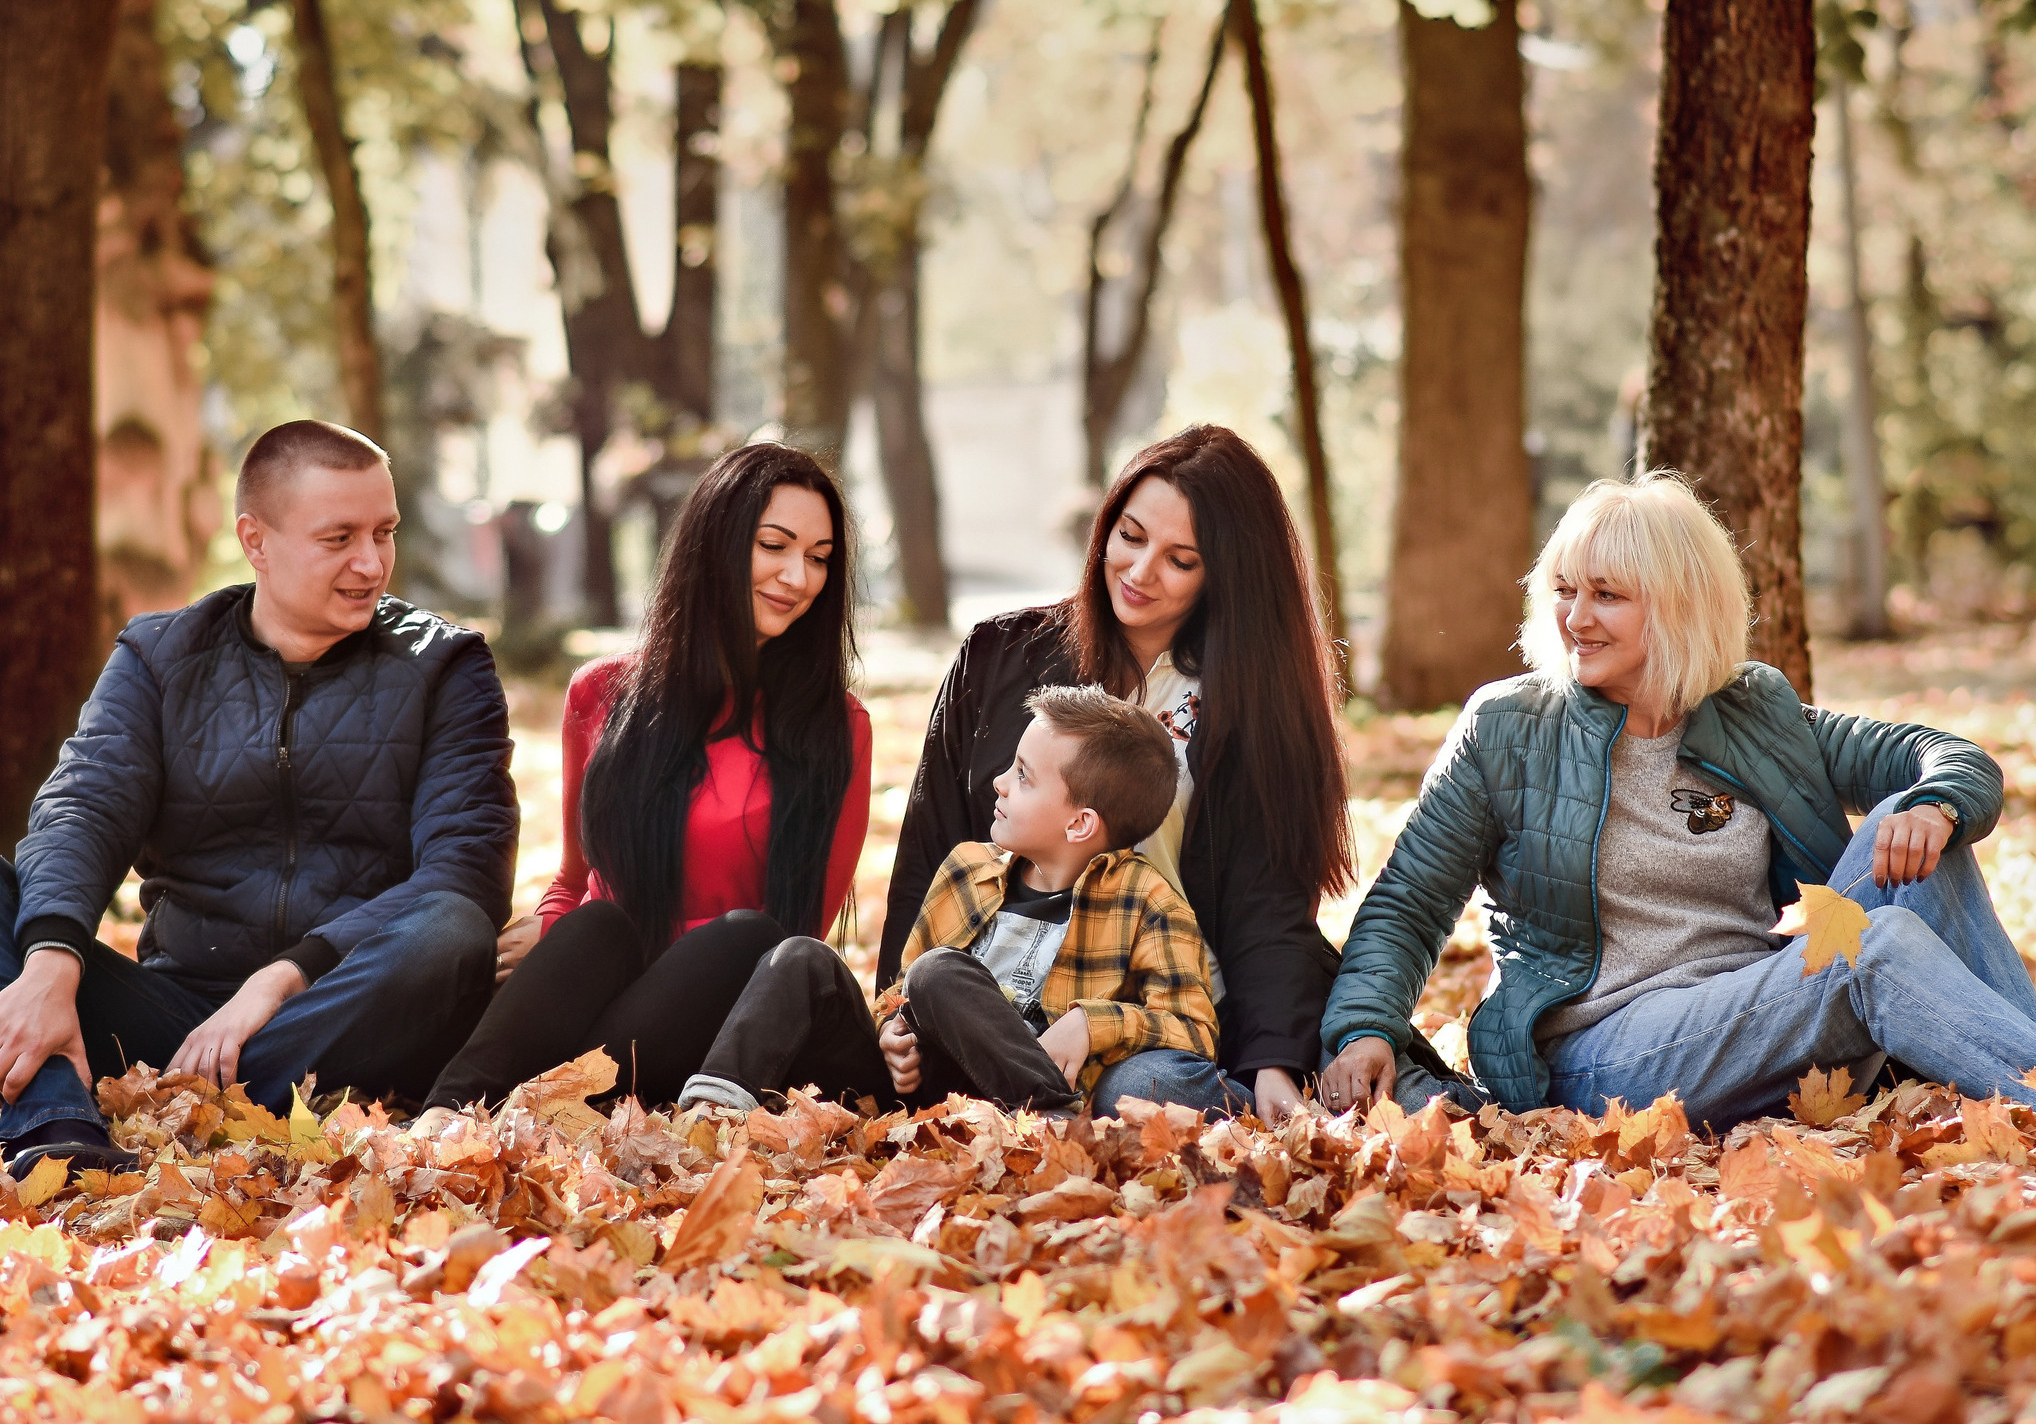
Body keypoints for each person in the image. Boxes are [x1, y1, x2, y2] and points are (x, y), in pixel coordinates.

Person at [1320, 473, 2036, 1130]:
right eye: (1564, 590)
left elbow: (1950, 756)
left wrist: (1937, 806)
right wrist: (1363, 1028)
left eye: (1607, 595)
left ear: (1682, 605)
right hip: (1604, 1054)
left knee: (1908, 823)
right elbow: (1409, 902)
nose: (1576, 619)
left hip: (1754, 1005)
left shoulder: (1752, 709)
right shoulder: (1509, 727)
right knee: (1867, 947)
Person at [0, 421, 516, 1179]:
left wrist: (282, 976)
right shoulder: (160, 658)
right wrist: (52, 960)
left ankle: (181, 1098)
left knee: (451, 929)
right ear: (255, 540)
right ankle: (55, 1115)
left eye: (384, 532)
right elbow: (84, 810)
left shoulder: (445, 666)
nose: (372, 562)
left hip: (345, 1004)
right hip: (177, 1009)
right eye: (340, 538)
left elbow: (466, 870)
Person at [880, 424, 1353, 1124]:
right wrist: (897, 1006)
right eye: (1130, 536)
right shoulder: (998, 654)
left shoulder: (1251, 701)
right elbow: (931, 850)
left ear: (1225, 572)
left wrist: (1273, 1063)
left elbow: (1268, 902)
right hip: (1002, 1004)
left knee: (1142, 1091)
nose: (1139, 571)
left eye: (1180, 558)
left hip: (1170, 1018)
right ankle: (1049, 1099)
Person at [413, 442, 871, 1120]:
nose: (798, 576)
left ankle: (545, 1105)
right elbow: (574, 880)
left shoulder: (839, 727)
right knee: (599, 924)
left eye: (819, 557)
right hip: (612, 997)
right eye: (774, 545)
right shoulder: (603, 694)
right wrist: (547, 932)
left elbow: (800, 933)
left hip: (730, 1023)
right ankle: (442, 1117)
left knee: (750, 933)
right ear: (716, 543)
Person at [683, 685, 1214, 1113]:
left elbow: (1193, 1030)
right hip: (915, 1096)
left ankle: (1051, 1119)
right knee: (800, 957)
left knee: (940, 971)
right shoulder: (969, 868)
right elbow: (900, 989)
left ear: (1080, 824)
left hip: (1017, 1102)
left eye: (1024, 777)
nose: (1000, 782)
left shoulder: (1147, 902)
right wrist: (892, 1032)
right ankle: (715, 1106)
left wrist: (1089, 1023)